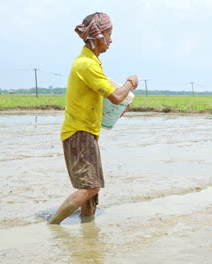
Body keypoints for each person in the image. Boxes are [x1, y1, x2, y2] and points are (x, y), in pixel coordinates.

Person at [47, 12, 138, 224]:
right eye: (109, 34)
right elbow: (116, 96)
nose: (111, 40)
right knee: (90, 187)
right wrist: (130, 83)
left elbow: (106, 101)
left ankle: (88, 232)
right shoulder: (87, 65)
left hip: (86, 132)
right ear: (98, 36)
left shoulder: (91, 63)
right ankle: (52, 226)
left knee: (91, 192)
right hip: (79, 132)